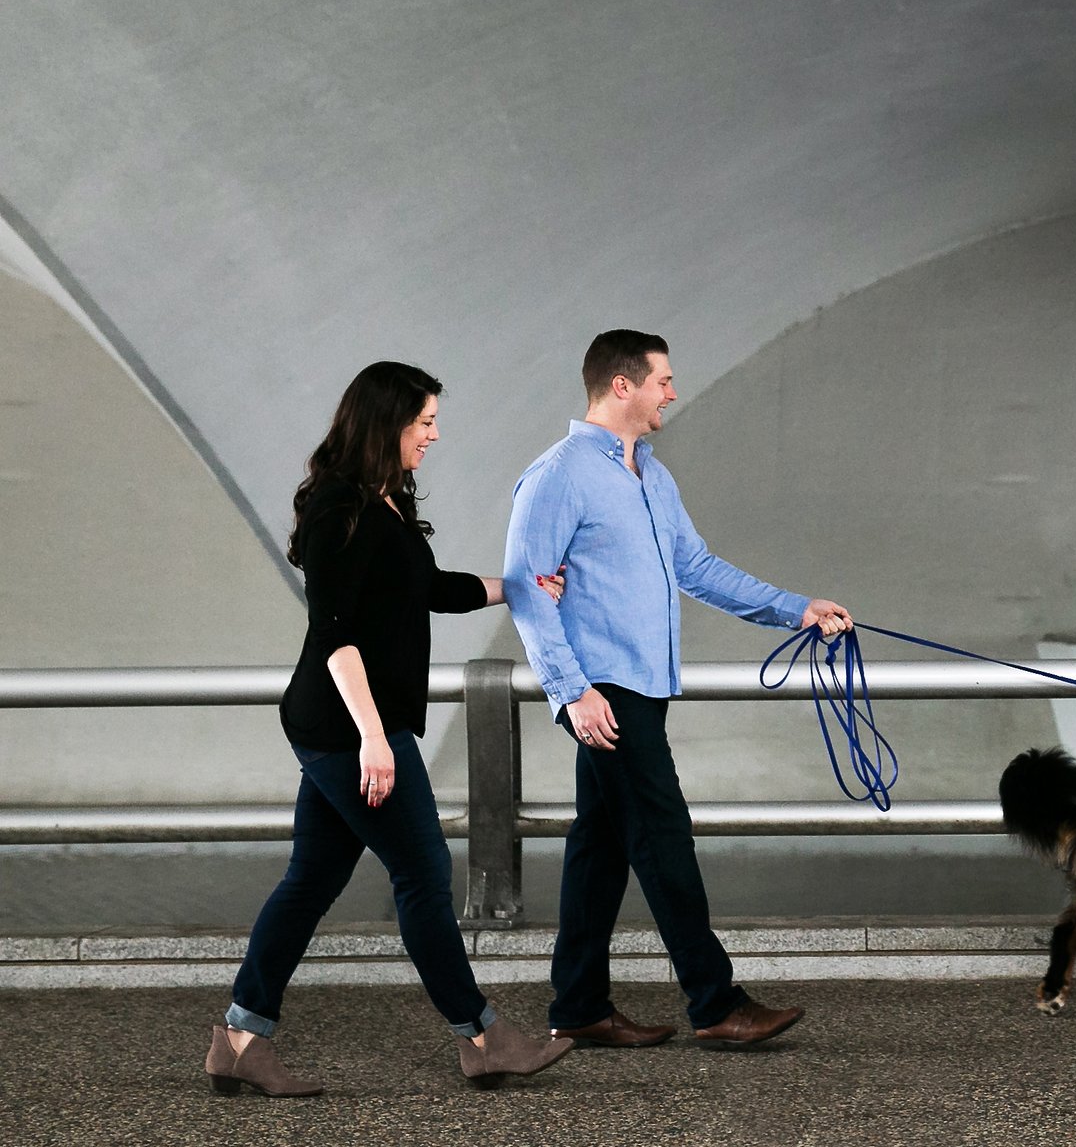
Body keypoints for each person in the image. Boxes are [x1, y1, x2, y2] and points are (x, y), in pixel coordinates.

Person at [209, 362, 576, 1096]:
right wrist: (376, 739)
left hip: (348, 726)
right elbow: (334, 633)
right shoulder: (337, 509)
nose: (435, 434)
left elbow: (426, 589)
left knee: (310, 878)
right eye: (425, 422)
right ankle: (480, 1034)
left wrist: (516, 587)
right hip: (345, 727)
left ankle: (241, 1036)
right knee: (421, 872)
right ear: (388, 422)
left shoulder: (386, 500)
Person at [504, 329, 851, 1051]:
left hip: (643, 685)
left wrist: (796, 607)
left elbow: (696, 566)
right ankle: (715, 1001)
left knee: (600, 845)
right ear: (621, 385)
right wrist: (571, 692)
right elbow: (528, 592)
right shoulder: (559, 474)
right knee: (662, 835)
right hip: (601, 689)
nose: (672, 390)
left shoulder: (653, 476)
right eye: (663, 378)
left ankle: (577, 1007)